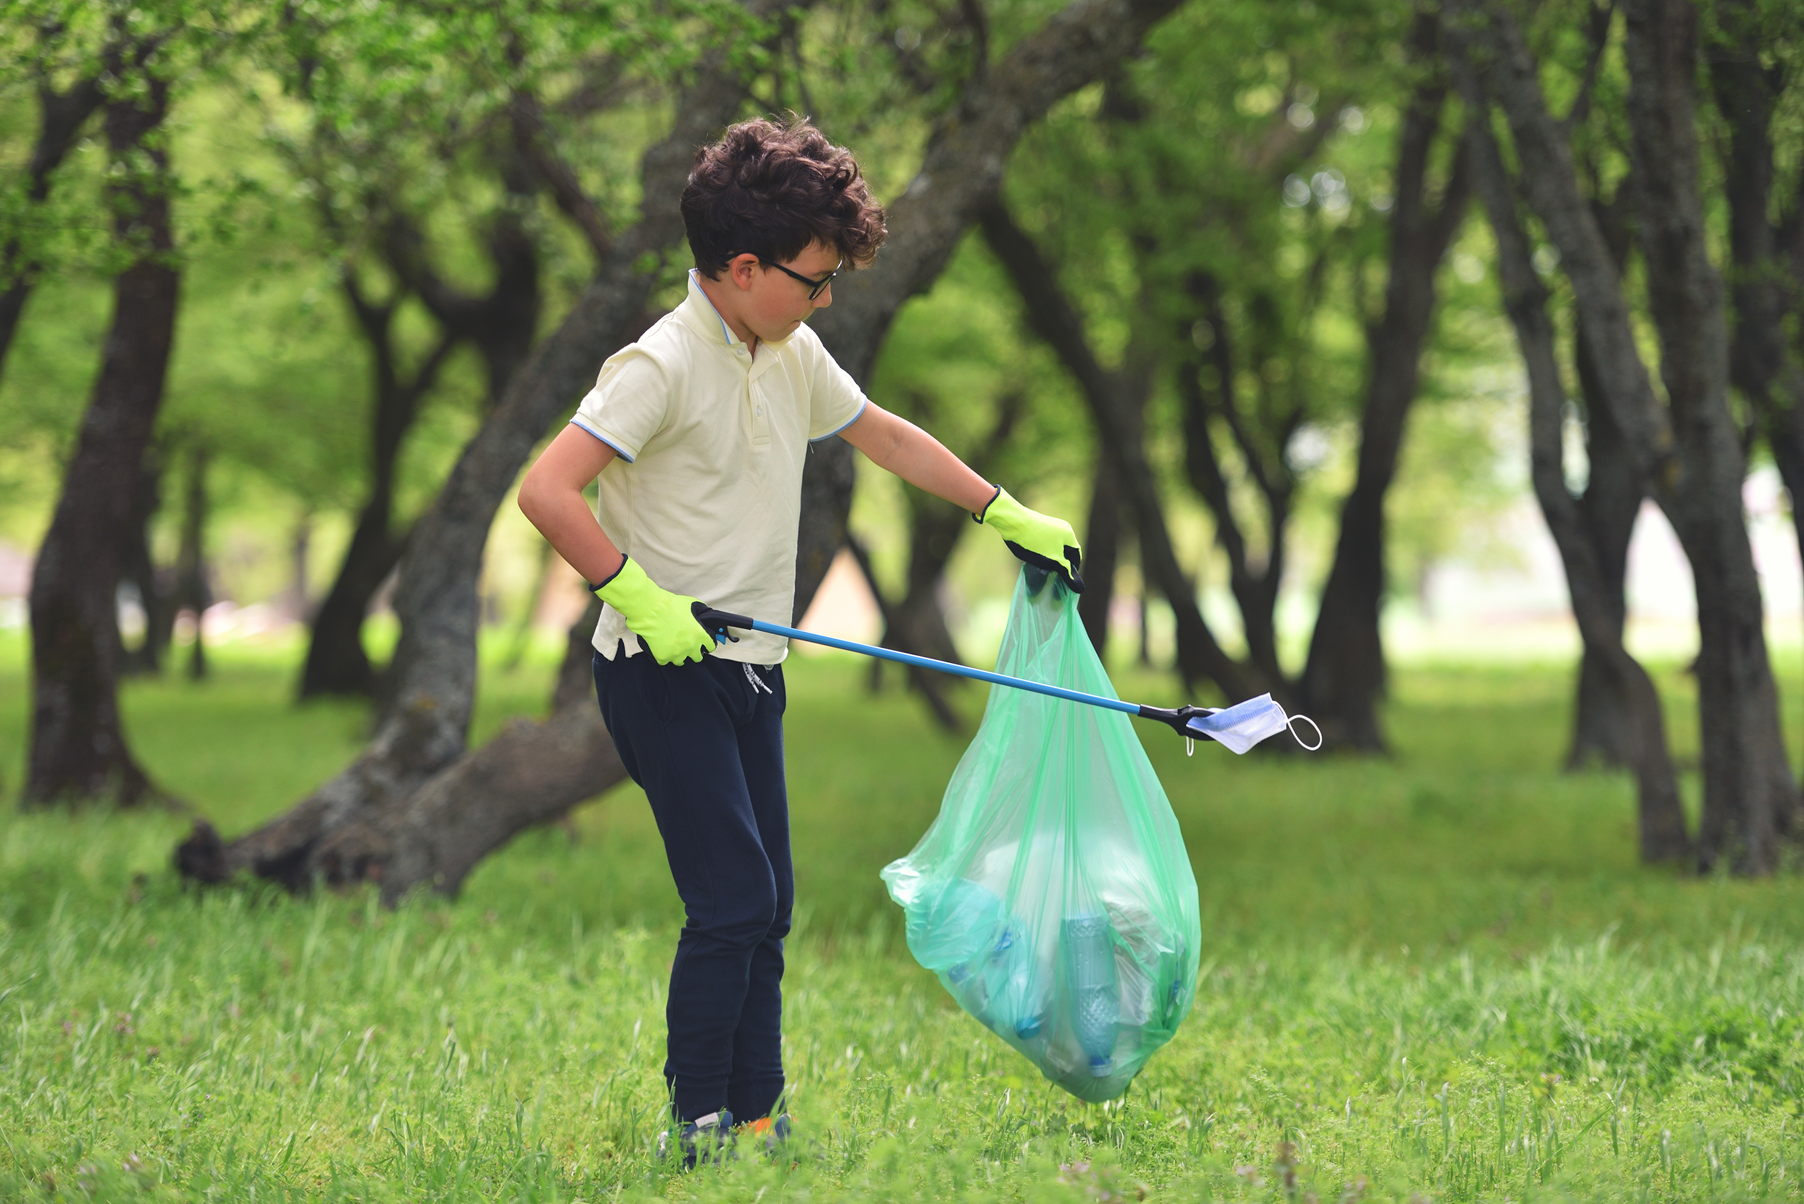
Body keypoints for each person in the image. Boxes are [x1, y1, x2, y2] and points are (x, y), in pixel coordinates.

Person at [517, 116, 1082, 1164]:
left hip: (751, 668)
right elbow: (547, 491)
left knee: (769, 903)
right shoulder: (659, 362)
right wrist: (638, 596)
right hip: (659, 669)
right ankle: (696, 1129)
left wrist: (1000, 511)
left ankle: (759, 1117)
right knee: (730, 899)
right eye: (814, 280)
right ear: (743, 268)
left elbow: (885, 435)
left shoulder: (790, 350)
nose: (825, 300)